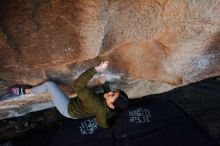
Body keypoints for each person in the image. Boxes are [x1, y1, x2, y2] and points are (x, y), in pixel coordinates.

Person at [11, 61, 129, 128]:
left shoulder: (96, 105)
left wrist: (96, 70)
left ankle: (25, 92)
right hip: (79, 106)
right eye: (113, 91)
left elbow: (78, 85)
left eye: (112, 95)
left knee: (50, 85)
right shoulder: (109, 107)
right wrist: (104, 85)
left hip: (67, 109)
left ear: (112, 106)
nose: (109, 92)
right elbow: (104, 117)